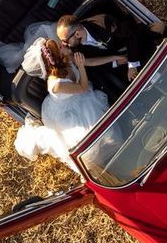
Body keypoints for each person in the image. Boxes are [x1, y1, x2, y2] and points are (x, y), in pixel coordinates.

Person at [14, 38, 125, 171]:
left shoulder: (67, 59)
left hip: (80, 97)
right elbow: (83, 87)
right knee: (90, 142)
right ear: (57, 57)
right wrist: (81, 67)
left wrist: (116, 57)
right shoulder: (56, 84)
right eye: (59, 47)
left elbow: (91, 62)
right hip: (67, 111)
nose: (62, 44)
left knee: (107, 130)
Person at [57, 14, 167, 83]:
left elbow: (130, 36)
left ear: (77, 34)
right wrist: (117, 61)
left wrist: (132, 64)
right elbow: (94, 62)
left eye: (65, 40)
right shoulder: (76, 48)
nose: (65, 44)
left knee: (161, 29)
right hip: (118, 62)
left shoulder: (103, 22)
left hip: (133, 43)